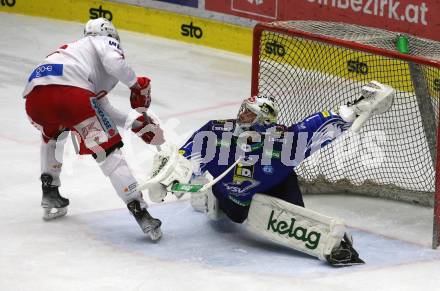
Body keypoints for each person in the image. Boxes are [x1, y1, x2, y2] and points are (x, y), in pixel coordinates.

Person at [143, 80, 395, 265]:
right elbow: (186, 158)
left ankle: (332, 244)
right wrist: (167, 182)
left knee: (294, 208)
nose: (241, 115)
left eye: (249, 113)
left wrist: (358, 107)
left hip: (276, 185)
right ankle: (215, 198)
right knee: (236, 214)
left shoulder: (284, 142)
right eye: (243, 109)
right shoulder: (216, 132)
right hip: (233, 196)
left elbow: (319, 124)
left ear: (263, 120)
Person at [24, 18, 163, 241]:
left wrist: (136, 124)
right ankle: (141, 212)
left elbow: (101, 107)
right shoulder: (103, 41)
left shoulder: (73, 52)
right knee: (108, 152)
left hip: (35, 101)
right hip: (72, 97)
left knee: (53, 136)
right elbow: (114, 64)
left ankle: (49, 192)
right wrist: (136, 84)